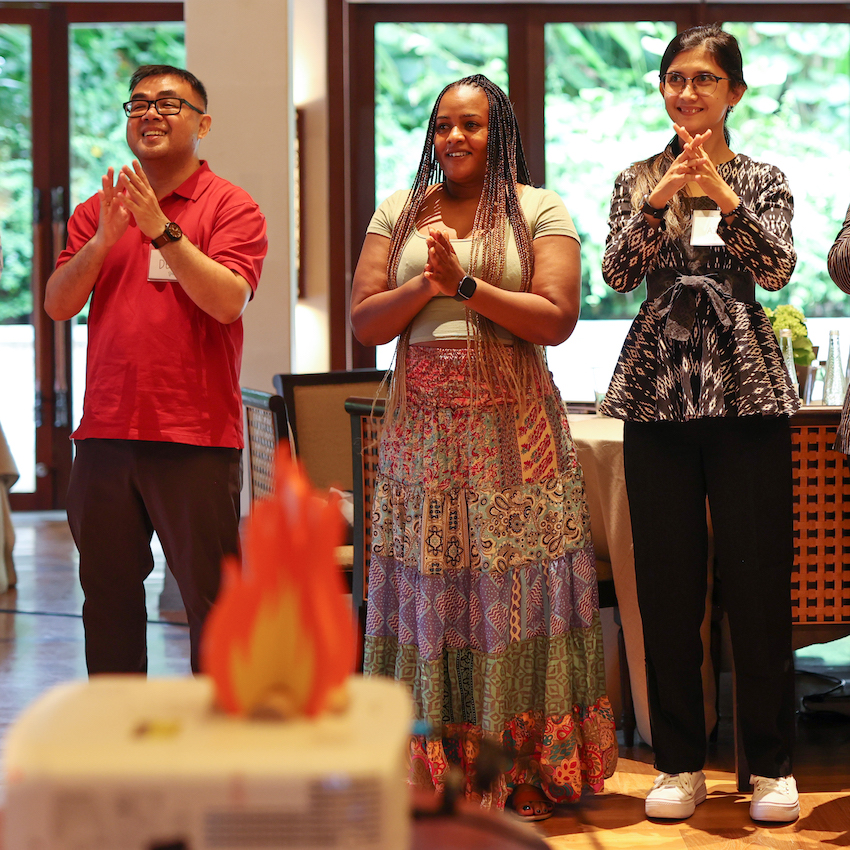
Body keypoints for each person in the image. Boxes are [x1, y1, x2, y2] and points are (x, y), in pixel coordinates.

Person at [350, 74, 617, 815]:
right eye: (442, 126)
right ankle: (434, 769)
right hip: (422, 430)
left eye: (470, 124)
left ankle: (524, 766)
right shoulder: (399, 211)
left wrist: (466, 286)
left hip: (515, 430)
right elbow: (366, 321)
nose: (454, 138)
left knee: (520, 594)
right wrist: (426, 288)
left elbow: (557, 317)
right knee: (427, 591)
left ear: (499, 133)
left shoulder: (539, 208)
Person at [601, 25, 799, 823]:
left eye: (706, 79)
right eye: (675, 78)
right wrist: (658, 200)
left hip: (747, 391)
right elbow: (616, 274)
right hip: (659, 392)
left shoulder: (764, 176)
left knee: (759, 585)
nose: (688, 92)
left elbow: (779, 267)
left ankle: (771, 769)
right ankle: (678, 764)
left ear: (735, 93)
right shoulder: (634, 177)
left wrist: (721, 196)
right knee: (666, 585)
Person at [44, 65, 267, 675]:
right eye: (138, 103)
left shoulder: (231, 206)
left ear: (203, 122)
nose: (150, 114)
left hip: (193, 435)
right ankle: (122, 750)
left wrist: (161, 231)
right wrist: (103, 239)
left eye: (169, 103)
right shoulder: (98, 209)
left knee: (213, 607)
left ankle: (220, 752)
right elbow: (58, 303)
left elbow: (227, 300)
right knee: (109, 604)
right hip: (106, 435)